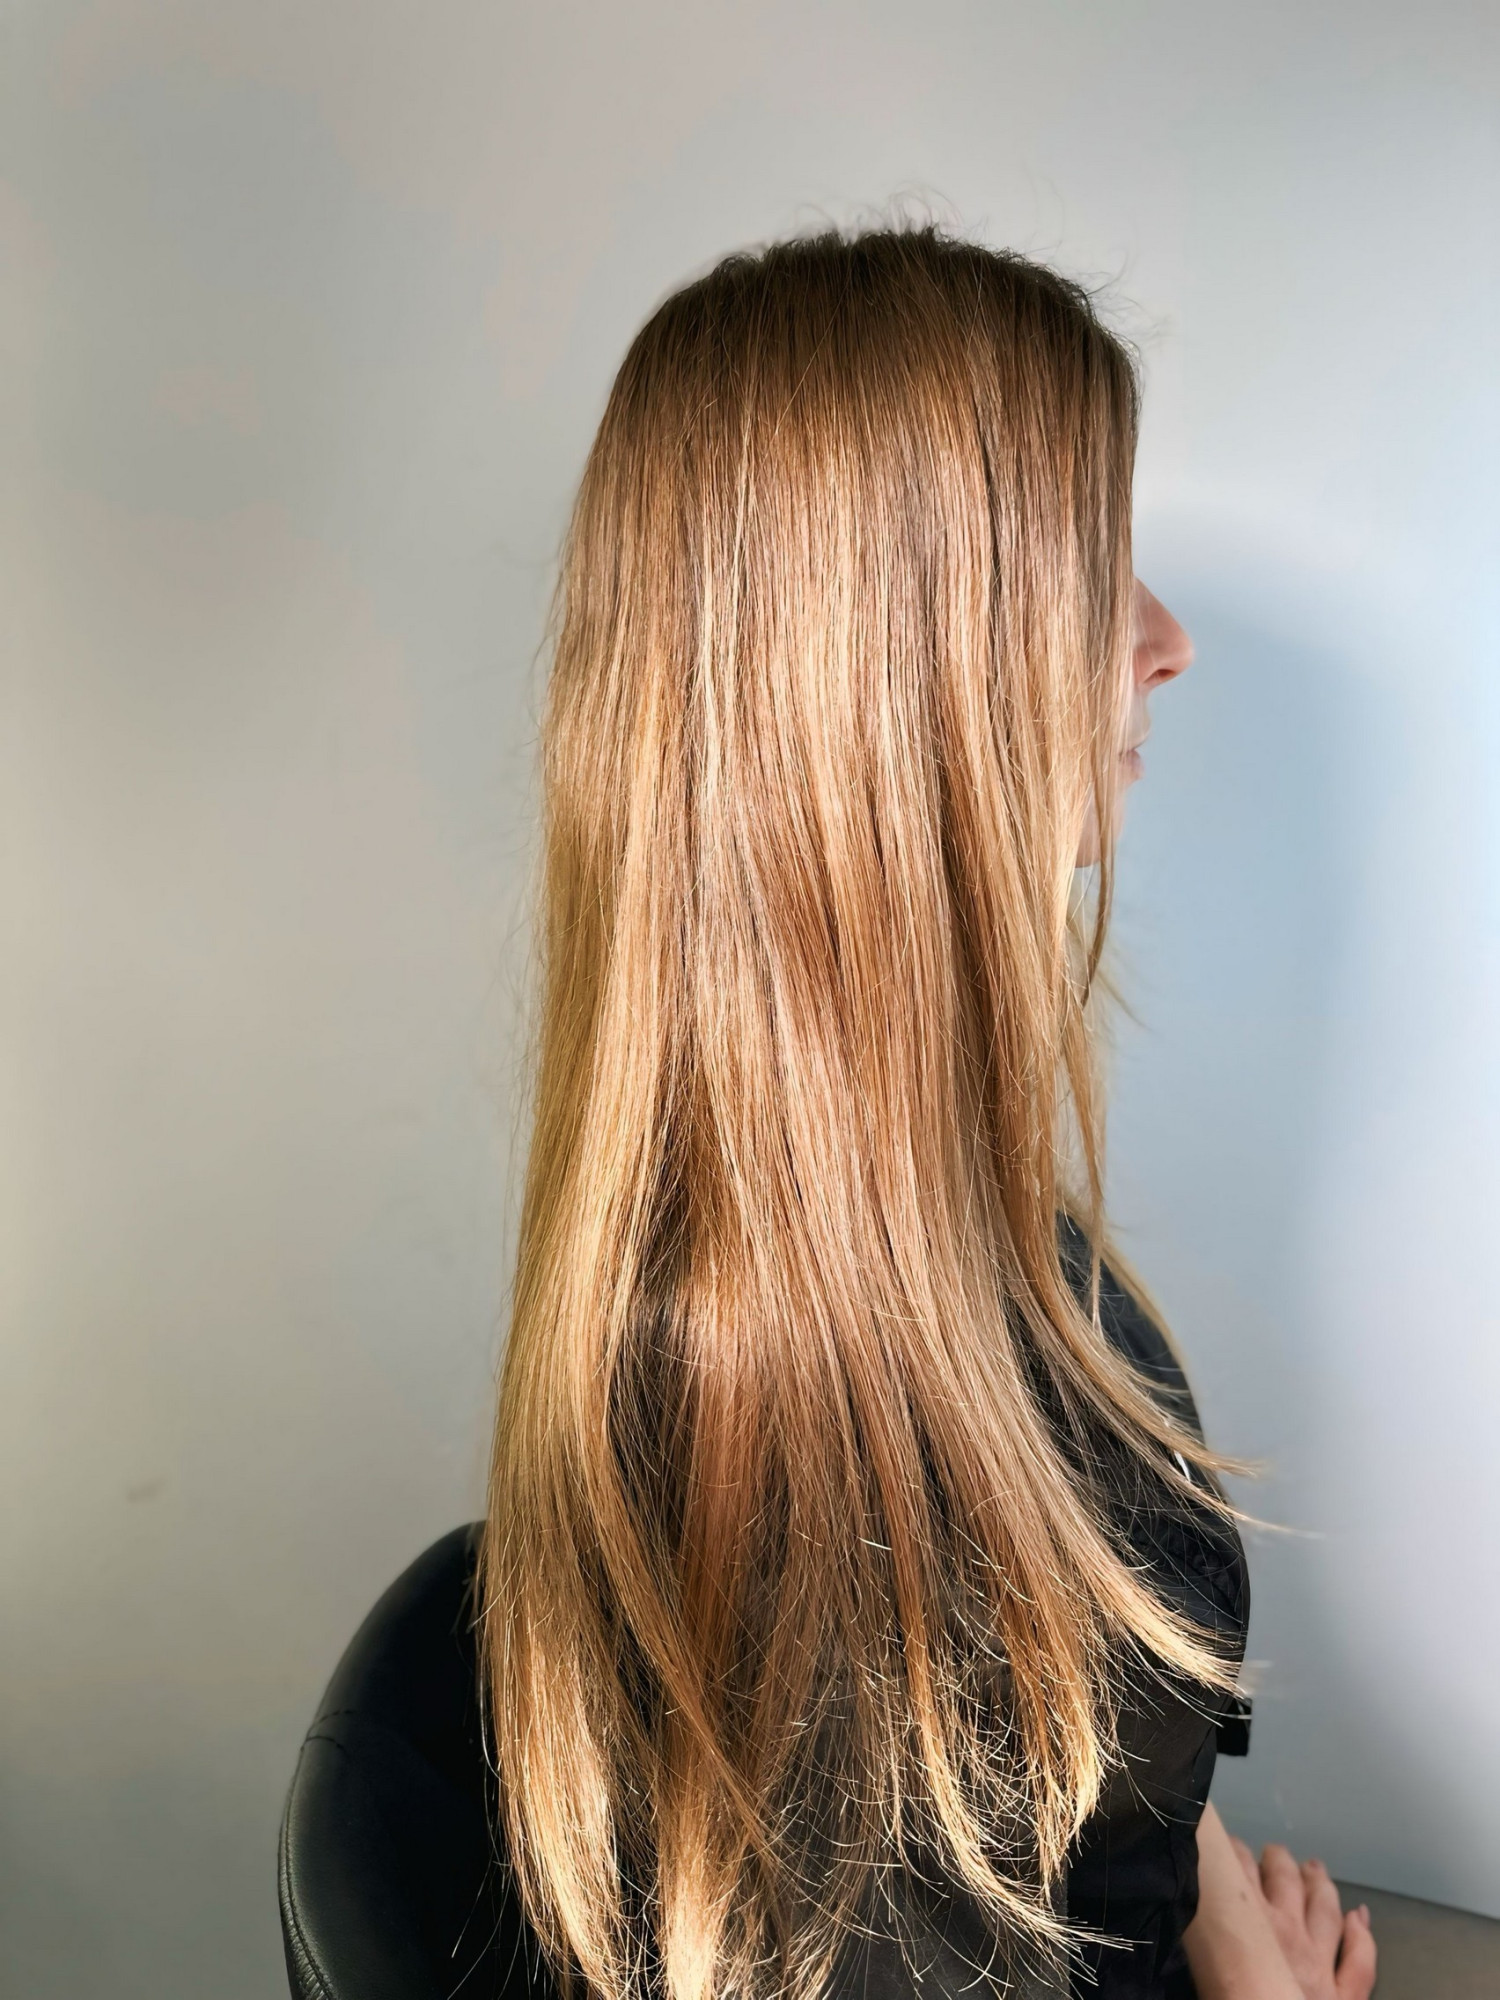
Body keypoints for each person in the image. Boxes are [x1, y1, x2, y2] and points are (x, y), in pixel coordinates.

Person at [475, 225, 1377, 2000]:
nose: (1167, 640)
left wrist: (1205, 1903)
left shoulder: (936, 1250)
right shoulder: (808, 1475)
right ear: (892, 671)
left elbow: (1093, 1723)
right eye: (1086, 572)